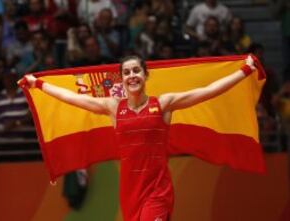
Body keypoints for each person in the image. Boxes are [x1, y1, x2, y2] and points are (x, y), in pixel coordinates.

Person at [22, 54, 256, 221]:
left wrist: (244, 71)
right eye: (126, 72)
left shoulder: (163, 104)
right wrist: (39, 84)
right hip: (130, 190)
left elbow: (207, 91)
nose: (132, 75)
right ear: (121, 79)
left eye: (136, 71)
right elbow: (73, 98)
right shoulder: (113, 107)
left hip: (158, 190)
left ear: (145, 75)